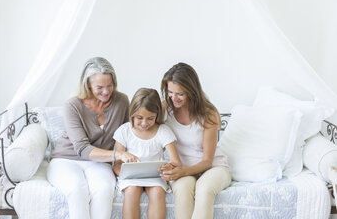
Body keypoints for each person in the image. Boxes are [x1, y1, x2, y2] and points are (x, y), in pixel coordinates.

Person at [47, 57, 139, 219]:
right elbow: (82, 149)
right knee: (76, 190)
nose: (106, 91)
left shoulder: (122, 101)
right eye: (99, 87)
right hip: (66, 160)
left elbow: (127, 134)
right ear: (87, 84)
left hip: (99, 162)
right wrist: (117, 155)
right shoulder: (72, 105)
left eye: (109, 85)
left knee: (104, 188)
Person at [159, 62, 231, 219]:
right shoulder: (166, 109)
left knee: (204, 189)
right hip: (182, 169)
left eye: (180, 94)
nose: (174, 98)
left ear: (191, 91)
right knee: (183, 190)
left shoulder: (208, 113)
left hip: (214, 167)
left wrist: (182, 171)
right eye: (170, 92)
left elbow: (207, 161)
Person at [112, 88, 181, 219]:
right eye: (139, 118)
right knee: (131, 192)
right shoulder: (124, 131)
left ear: (157, 115)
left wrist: (169, 168)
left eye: (150, 118)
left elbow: (176, 162)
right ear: (132, 113)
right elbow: (116, 164)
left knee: (157, 194)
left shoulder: (163, 131)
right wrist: (125, 173)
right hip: (130, 178)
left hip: (155, 177)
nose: (144, 123)